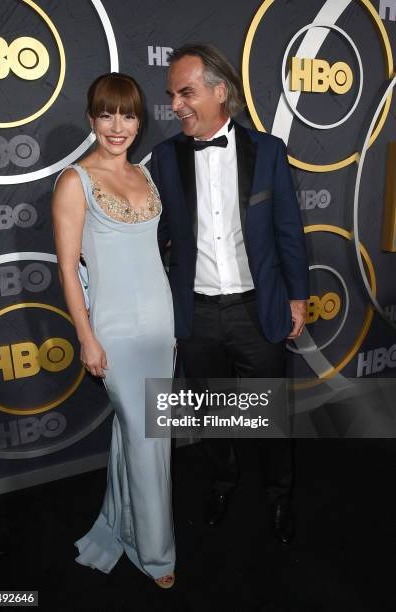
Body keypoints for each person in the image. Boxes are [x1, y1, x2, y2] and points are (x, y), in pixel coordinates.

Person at [150, 44, 309, 543]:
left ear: (221, 92)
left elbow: (289, 230)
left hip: (256, 311)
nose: (175, 104)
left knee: (271, 416)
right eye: (172, 94)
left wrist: (298, 298)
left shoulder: (269, 152)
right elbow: (151, 237)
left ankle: (279, 495)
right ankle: (223, 480)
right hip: (195, 318)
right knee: (210, 414)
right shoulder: (165, 158)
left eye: (186, 92)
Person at [52, 73, 175, 587]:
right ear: (92, 119)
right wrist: (86, 336)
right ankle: (156, 555)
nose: (117, 126)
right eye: (107, 114)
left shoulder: (147, 177)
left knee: (148, 434)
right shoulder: (73, 182)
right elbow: (66, 270)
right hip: (116, 331)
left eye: (127, 115)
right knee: (148, 440)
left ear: (139, 122)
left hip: (160, 324)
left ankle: (125, 525)